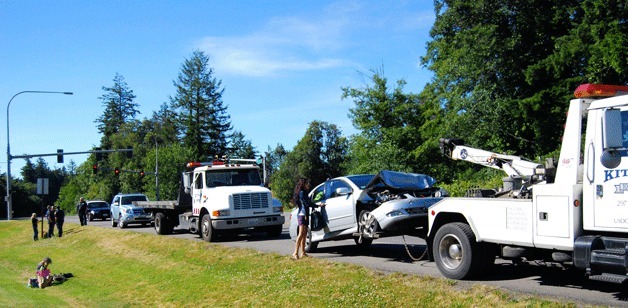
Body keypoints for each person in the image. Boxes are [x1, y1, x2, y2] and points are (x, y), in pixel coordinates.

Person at [291, 177, 325, 260]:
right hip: (302, 215)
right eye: (307, 183)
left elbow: (308, 203)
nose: (308, 185)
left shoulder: (305, 192)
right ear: (303, 184)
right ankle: (295, 253)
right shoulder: (302, 193)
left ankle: (303, 252)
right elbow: (307, 203)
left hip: (305, 215)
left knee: (305, 234)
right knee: (301, 233)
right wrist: (318, 205)